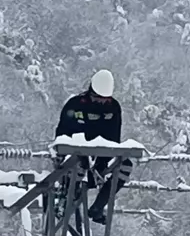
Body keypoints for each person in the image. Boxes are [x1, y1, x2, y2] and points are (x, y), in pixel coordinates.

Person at [54, 69, 132, 224]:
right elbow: (61, 136)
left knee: (125, 166)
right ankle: (68, 198)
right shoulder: (75, 105)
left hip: (100, 159)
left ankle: (98, 206)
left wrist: (102, 165)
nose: (102, 102)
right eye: (98, 98)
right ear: (91, 92)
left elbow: (113, 140)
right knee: (78, 163)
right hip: (74, 159)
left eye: (106, 99)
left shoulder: (113, 108)